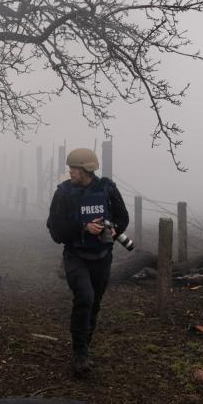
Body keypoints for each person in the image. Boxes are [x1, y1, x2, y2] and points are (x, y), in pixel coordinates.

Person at [46, 147, 129, 377]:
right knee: (85, 297)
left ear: (87, 170)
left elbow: (123, 218)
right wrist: (83, 227)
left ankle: (85, 344)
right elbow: (55, 230)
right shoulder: (63, 193)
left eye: (74, 168)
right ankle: (80, 353)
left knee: (95, 303)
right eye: (70, 168)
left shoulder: (107, 189)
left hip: (102, 256)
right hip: (75, 256)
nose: (70, 172)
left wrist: (113, 230)